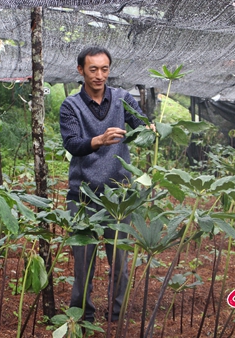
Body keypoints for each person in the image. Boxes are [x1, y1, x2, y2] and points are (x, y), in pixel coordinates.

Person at [59, 46, 150, 323]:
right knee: (83, 264)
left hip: (119, 196)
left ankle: (116, 319)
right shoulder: (70, 106)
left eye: (104, 69)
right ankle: (83, 319)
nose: (99, 75)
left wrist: (149, 128)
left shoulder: (123, 98)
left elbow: (141, 123)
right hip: (83, 195)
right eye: (93, 69)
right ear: (81, 71)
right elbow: (72, 144)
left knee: (119, 264)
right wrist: (99, 139)